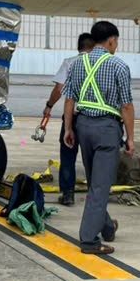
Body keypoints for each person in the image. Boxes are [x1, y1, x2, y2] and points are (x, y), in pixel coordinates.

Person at [62, 21, 135, 256]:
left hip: (83, 126)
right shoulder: (119, 66)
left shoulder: (77, 64)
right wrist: (131, 138)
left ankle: (107, 227)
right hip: (106, 129)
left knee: (96, 181)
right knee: (101, 186)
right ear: (112, 40)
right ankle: (89, 240)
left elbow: (69, 100)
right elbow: (126, 105)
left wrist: (68, 129)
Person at [40, 32, 96, 206]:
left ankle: (68, 194)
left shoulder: (70, 62)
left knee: (68, 155)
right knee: (94, 157)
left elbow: (59, 89)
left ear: (78, 47)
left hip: (72, 115)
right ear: (94, 47)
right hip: (95, 118)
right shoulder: (101, 63)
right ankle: (95, 194)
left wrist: (49, 105)